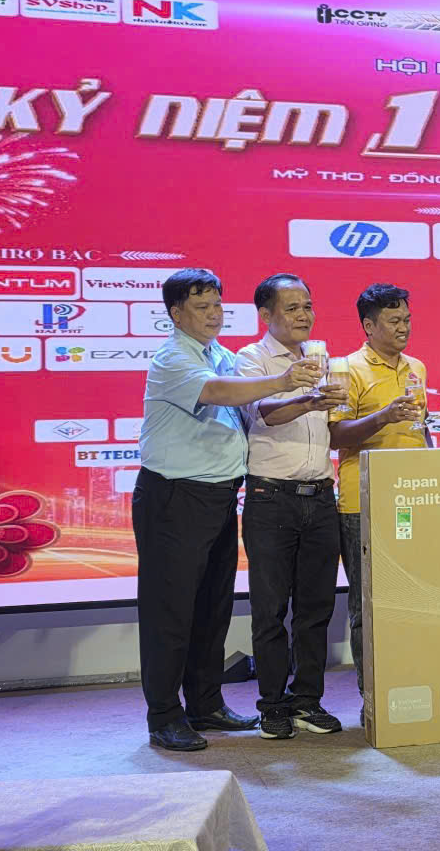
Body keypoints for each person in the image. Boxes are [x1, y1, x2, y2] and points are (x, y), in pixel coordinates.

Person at [134, 268, 322, 752]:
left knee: (211, 608)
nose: (214, 314)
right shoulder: (173, 357)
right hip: (174, 496)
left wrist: (302, 396)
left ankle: (205, 703)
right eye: (202, 307)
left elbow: (247, 403)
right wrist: (282, 379)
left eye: (217, 304)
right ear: (176, 314)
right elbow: (216, 392)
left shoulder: (218, 353)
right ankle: (164, 716)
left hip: (219, 496)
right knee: (170, 611)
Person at [235, 273, 347, 741]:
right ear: (266, 315)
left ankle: (307, 701)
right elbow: (265, 413)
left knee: (315, 609)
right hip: (271, 499)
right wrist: (307, 398)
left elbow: (332, 428)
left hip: (320, 497)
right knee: (270, 610)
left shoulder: (322, 359)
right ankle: (272, 705)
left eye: (308, 306)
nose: (304, 315)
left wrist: (335, 404)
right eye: (293, 307)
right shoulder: (251, 359)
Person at [328, 284, 426, 721]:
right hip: (361, 503)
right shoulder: (347, 369)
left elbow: (418, 430)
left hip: (415, 498)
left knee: (416, 599)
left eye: (407, 319)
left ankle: (412, 684)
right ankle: (373, 698)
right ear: (369, 326)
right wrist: (384, 415)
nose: (404, 327)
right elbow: (336, 435)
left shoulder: (416, 367)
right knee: (367, 606)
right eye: (394, 321)